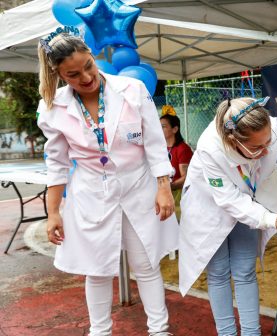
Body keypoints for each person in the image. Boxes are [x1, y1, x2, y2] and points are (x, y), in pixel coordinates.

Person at [36, 28, 177, 336]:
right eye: (73, 74)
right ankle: (99, 331)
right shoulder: (52, 108)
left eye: (88, 65)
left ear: (92, 56)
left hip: (139, 188)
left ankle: (159, 330)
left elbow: (154, 143)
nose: (86, 77)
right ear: (59, 76)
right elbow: (57, 164)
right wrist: (53, 212)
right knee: (96, 269)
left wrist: (164, 187)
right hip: (92, 194)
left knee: (147, 264)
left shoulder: (132, 88)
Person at [178, 96, 277, 335]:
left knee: (245, 269)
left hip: (249, 201)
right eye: (258, 147)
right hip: (208, 207)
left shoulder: (270, 127)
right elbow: (229, 200)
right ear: (232, 140)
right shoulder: (210, 147)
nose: (267, 150)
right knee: (218, 273)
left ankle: (252, 333)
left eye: (269, 142)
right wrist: (272, 219)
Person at [159, 107, 193, 216]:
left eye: (163, 127)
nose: (159, 129)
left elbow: (186, 177)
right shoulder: (159, 148)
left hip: (178, 197)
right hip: (163, 194)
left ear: (175, 129)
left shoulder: (183, 149)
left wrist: (168, 186)